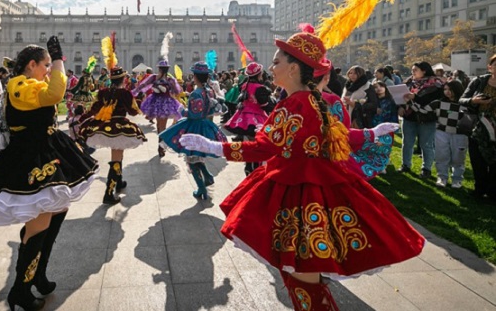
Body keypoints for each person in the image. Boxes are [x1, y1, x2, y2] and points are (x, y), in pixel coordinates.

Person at [178, 30, 424, 311]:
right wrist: (370, 133)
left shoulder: (293, 103)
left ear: (293, 68)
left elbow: (263, 148)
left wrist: (212, 147)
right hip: (321, 190)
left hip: (298, 195)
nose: (271, 68)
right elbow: (339, 137)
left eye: (276, 62)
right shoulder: (314, 102)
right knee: (304, 273)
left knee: (300, 273)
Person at [0, 39, 98, 310]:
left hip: (49, 151)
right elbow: (55, 94)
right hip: (31, 157)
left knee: (55, 216)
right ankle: (21, 289)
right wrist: (60, 60)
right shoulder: (19, 84)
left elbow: (56, 93)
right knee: (39, 224)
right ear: (32, 65)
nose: (48, 70)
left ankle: (38, 276)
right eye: (45, 65)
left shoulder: (31, 84)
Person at [79, 34, 147, 205]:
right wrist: (138, 102)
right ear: (123, 79)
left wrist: (83, 117)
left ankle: (119, 182)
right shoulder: (125, 93)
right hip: (119, 127)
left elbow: (94, 109)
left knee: (118, 155)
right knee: (117, 156)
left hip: (104, 126)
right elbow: (132, 112)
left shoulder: (103, 92)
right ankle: (108, 194)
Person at [159, 61, 226, 200]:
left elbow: (194, 113)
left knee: (191, 158)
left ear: (195, 77)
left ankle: (201, 188)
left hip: (194, 126)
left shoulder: (196, 93)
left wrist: (182, 110)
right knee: (197, 155)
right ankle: (207, 176)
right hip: (205, 124)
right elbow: (211, 109)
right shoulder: (209, 91)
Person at [409, 80, 467, 188]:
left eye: (450, 90)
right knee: (441, 156)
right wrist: (410, 102)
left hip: (460, 134)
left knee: (458, 158)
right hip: (441, 132)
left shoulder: (465, 104)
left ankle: (457, 179)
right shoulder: (438, 103)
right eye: (445, 89)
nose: (447, 92)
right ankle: (442, 177)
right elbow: (423, 111)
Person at [223, 62, 272, 176]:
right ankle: (255, 168)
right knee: (257, 144)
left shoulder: (245, 85)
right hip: (257, 117)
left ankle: (249, 166)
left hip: (244, 116)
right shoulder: (260, 88)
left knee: (249, 142)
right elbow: (264, 104)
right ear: (259, 75)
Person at [459, 54, 496, 202]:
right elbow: (462, 99)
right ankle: (480, 190)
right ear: (490, 67)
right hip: (478, 127)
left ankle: (493, 193)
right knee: (478, 160)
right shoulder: (479, 81)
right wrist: (473, 100)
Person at [397, 61, 444, 178]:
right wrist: (401, 107)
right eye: (412, 70)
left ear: (424, 70)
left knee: (426, 144)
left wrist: (415, 97)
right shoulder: (409, 82)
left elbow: (433, 100)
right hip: (409, 117)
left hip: (427, 118)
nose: (413, 72)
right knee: (407, 142)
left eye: (415, 70)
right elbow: (402, 96)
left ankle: (426, 169)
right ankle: (405, 165)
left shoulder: (436, 84)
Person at [136, 59, 184, 157]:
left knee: (161, 126)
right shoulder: (166, 79)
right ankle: (160, 145)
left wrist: (134, 91)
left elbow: (143, 85)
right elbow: (177, 91)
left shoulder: (161, 78)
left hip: (160, 102)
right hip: (161, 102)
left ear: (159, 69)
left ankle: (160, 146)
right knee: (160, 126)